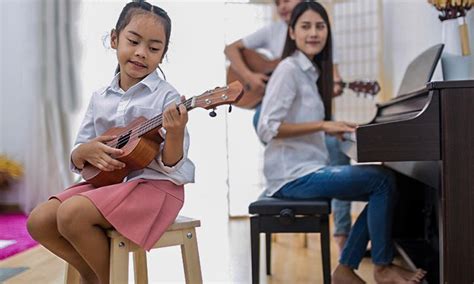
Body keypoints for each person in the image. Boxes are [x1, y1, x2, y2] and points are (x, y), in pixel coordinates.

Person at [256, 2, 426, 283]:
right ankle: (379, 267)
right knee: (382, 182)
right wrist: (323, 125)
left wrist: (335, 131)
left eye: (320, 26)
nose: (314, 33)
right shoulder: (288, 70)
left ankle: (346, 268)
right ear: (292, 32)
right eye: (306, 26)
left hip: (306, 168)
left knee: (387, 182)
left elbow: (301, 124)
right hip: (292, 176)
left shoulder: (308, 73)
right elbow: (267, 128)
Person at [26, 2, 195, 283]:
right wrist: (84, 150)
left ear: (162, 56)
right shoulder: (100, 97)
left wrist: (175, 133)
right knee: (39, 220)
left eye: (154, 49)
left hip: (155, 189)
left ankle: (108, 280)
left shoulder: (166, 98)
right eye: (133, 41)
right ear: (115, 39)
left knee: (72, 214)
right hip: (110, 184)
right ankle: (93, 274)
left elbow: (171, 164)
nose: (141, 53)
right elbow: (80, 157)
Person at [224, 0, 352, 253]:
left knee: (338, 151)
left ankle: (342, 230)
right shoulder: (274, 34)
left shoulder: (319, 37)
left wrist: (332, 86)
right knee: (264, 120)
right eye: (277, 2)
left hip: (300, 117)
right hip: (275, 115)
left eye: (287, 0)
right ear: (294, 32)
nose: (282, 6)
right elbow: (230, 49)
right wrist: (251, 78)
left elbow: (332, 77)